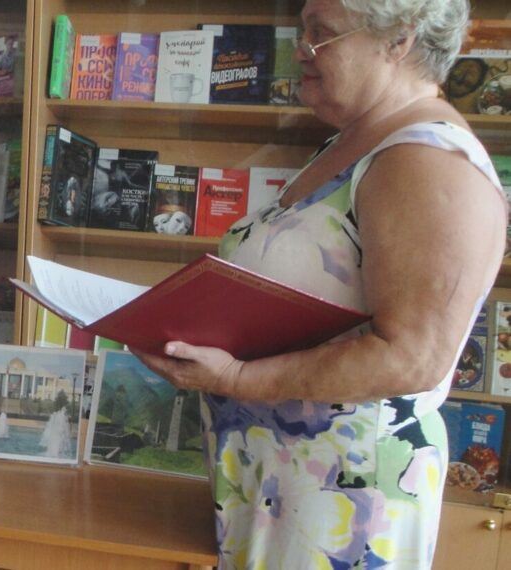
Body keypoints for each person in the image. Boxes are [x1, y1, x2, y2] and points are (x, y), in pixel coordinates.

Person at [132, 1, 507, 568]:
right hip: (280, 481)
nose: (300, 49)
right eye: (303, 28)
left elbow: (412, 357)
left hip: (344, 497)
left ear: (399, 40)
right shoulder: (352, 142)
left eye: (321, 32)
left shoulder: (428, 163)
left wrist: (237, 378)